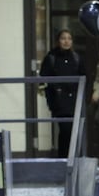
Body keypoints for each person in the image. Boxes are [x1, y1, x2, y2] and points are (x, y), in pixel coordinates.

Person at [39, 29, 83, 157]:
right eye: (63, 38)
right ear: (58, 41)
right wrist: (51, 101)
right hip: (59, 101)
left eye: (69, 38)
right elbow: (44, 81)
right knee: (65, 130)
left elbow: (84, 78)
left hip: (75, 100)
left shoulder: (76, 58)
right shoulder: (51, 58)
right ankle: (64, 158)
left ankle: (74, 158)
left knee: (74, 130)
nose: (66, 41)